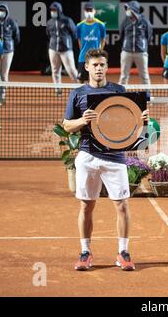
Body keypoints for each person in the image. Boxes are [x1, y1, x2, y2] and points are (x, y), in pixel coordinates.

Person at [63, 49, 149, 271]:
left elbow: (132, 123)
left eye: (102, 64)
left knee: (122, 206)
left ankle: (123, 253)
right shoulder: (78, 94)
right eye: (95, 65)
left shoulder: (119, 91)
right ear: (87, 68)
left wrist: (144, 119)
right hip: (87, 156)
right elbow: (66, 126)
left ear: (106, 67)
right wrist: (82, 120)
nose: (99, 68)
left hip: (115, 157)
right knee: (86, 206)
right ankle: (85, 252)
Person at [0, 3, 20, 105]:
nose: (1, 12)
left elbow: (17, 37)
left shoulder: (12, 22)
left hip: (8, 52)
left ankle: (2, 97)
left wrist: (9, 45)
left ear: (6, 12)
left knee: (4, 74)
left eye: (3, 11)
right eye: (0, 10)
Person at [46, 1, 79, 94]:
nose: (53, 12)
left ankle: (79, 88)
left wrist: (66, 42)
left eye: (55, 10)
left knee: (71, 70)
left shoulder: (67, 21)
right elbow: (48, 35)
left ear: (59, 10)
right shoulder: (49, 23)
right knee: (55, 70)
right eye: (51, 10)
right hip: (53, 49)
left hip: (66, 50)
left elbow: (74, 33)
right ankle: (58, 90)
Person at [119, 0, 153, 85]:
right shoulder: (125, 21)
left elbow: (148, 35)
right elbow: (121, 35)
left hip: (141, 53)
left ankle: (147, 96)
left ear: (134, 10)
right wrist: (126, 45)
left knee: (144, 76)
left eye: (128, 8)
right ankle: (121, 94)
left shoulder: (145, 21)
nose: (127, 11)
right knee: (123, 76)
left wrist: (142, 46)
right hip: (126, 52)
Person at [76, 1, 106, 83]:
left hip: (95, 58)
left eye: (90, 10)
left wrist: (100, 50)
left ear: (94, 11)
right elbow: (79, 39)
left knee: (96, 81)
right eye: (87, 10)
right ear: (84, 11)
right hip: (83, 58)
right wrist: (82, 50)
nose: (89, 12)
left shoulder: (101, 25)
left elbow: (103, 39)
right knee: (81, 81)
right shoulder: (79, 25)